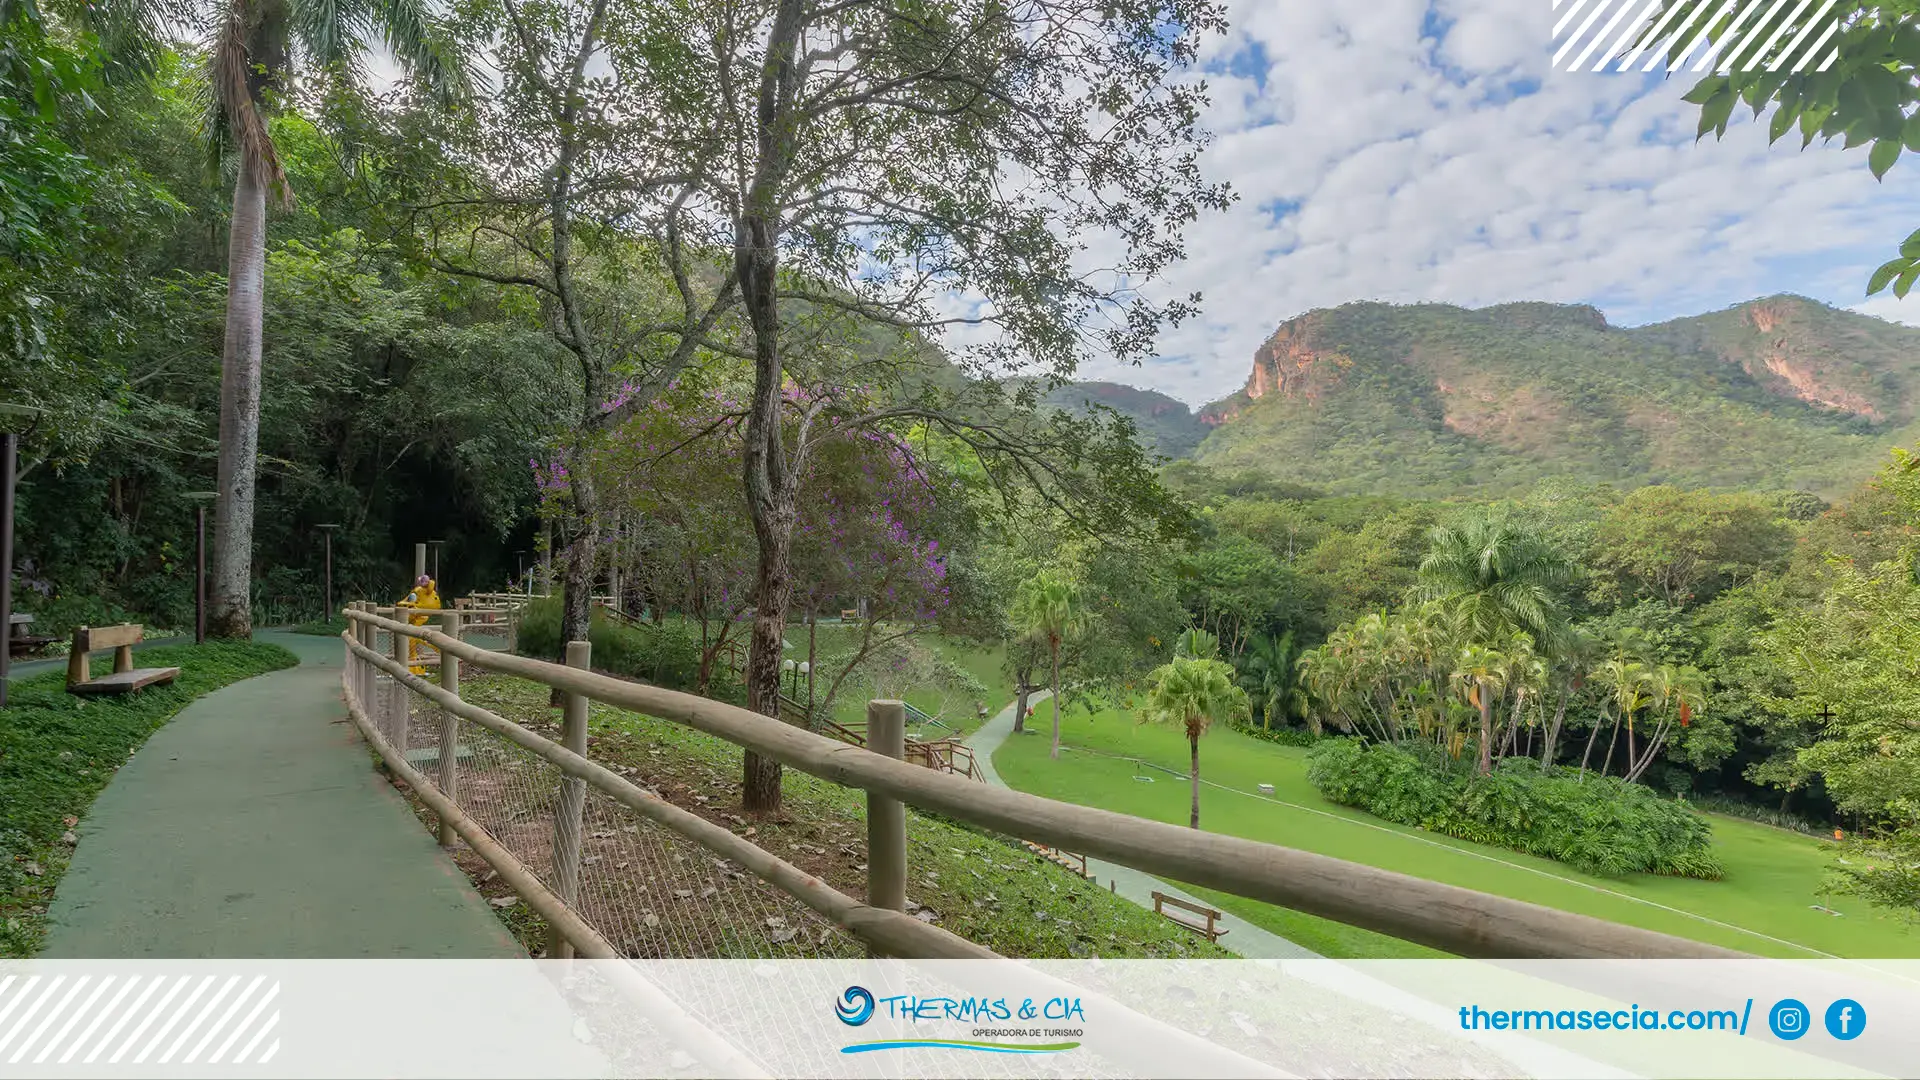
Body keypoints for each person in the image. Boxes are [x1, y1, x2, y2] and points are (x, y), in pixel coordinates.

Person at [395, 574, 442, 675]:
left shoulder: (419, 592)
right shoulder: (423, 592)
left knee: (413, 637)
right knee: (413, 637)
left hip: (419, 617)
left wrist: (406, 604)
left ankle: (413, 663)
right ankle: (414, 663)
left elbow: (409, 601)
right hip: (419, 617)